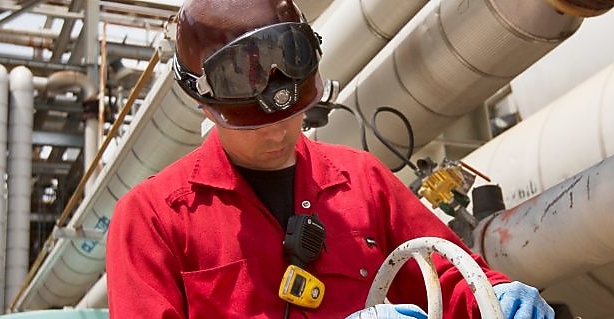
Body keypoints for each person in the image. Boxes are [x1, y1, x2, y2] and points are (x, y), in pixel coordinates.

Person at [104, 0, 556, 318]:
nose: (282, 131)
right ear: (203, 105)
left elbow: (449, 278)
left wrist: (497, 295)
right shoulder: (153, 219)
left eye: (295, 112)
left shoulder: (363, 181)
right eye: (256, 123)